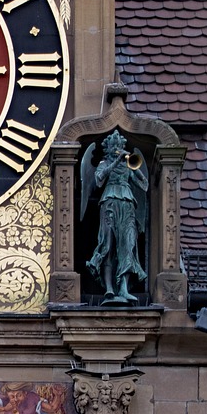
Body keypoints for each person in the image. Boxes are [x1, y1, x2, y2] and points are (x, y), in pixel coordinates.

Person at [82, 129, 148, 305]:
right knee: (108, 244)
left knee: (128, 245)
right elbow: (98, 180)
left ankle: (124, 288)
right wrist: (116, 161)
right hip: (109, 202)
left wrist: (135, 167)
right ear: (109, 148)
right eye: (115, 147)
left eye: (120, 146)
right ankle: (109, 288)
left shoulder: (128, 164)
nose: (118, 148)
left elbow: (144, 185)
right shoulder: (104, 163)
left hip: (127, 203)